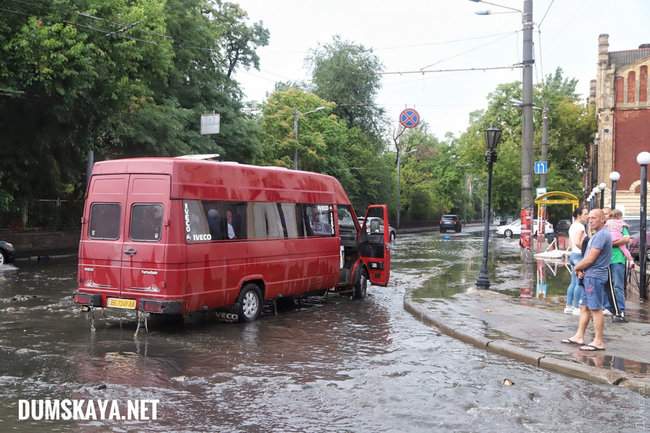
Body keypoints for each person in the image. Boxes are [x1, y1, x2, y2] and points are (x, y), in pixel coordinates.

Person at [561, 209, 612, 351]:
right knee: (584, 307)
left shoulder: (602, 235)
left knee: (595, 308)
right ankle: (579, 336)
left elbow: (591, 258)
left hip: (595, 277)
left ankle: (599, 341)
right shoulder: (596, 235)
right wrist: (581, 269)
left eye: (594, 218)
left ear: (603, 219)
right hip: (589, 275)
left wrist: (577, 268)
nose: (590, 220)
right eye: (589, 218)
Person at [604, 208, 630, 322]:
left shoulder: (621, 226)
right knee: (606, 285)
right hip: (605, 260)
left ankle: (620, 309)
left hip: (618, 259)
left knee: (617, 286)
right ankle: (608, 307)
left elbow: (626, 238)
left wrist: (612, 243)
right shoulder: (605, 226)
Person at [564, 208, 588, 315]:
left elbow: (570, 243)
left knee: (573, 282)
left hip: (573, 254)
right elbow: (579, 242)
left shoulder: (572, 226)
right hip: (579, 255)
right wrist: (585, 250)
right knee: (579, 282)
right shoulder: (580, 226)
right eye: (585, 214)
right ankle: (576, 307)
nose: (587, 216)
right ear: (579, 215)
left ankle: (568, 306)